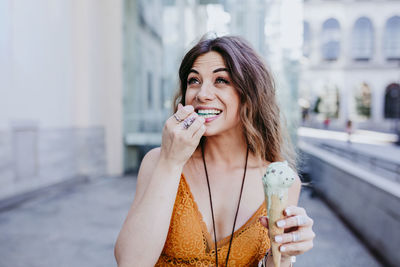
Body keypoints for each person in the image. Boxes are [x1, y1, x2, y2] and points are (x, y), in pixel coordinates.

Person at [114, 35, 315, 267]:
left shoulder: (280, 180)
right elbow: (130, 262)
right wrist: (171, 163)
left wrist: (286, 255)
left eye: (221, 80)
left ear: (249, 95)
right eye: (193, 81)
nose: (202, 94)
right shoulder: (158, 161)